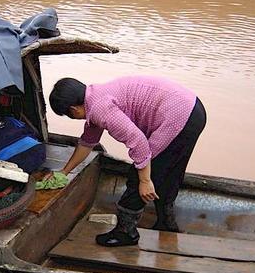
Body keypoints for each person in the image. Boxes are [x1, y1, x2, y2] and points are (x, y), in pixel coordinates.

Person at [48, 76, 206, 247]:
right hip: (193, 109)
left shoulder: (101, 109)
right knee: (169, 172)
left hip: (178, 116)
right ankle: (166, 224)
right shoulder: (95, 96)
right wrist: (64, 172)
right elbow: (87, 143)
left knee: (140, 175)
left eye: (68, 115)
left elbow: (139, 143)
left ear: (73, 109)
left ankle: (126, 233)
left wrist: (144, 180)